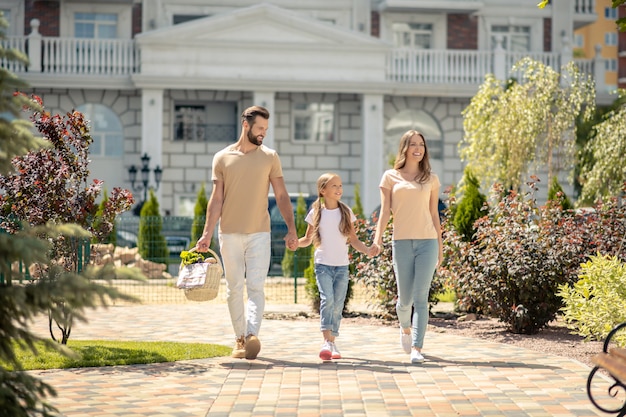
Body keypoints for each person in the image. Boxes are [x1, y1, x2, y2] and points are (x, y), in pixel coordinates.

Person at [196, 105, 298, 360]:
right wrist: (207, 233)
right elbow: (216, 199)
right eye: (260, 128)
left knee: (256, 287)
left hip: (259, 233)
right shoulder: (222, 158)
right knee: (233, 289)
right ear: (246, 125)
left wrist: (292, 229)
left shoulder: (270, 157)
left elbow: (282, 195)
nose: (263, 133)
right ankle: (240, 338)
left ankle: (251, 335)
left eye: (266, 129)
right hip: (228, 233)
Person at [371, 130, 443, 364]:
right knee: (404, 300)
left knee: (421, 298)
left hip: (427, 242)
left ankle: (417, 348)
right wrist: (377, 239)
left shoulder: (430, 179)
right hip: (401, 242)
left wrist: (440, 247)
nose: (418, 148)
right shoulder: (390, 177)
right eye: (413, 144)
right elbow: (384, 212)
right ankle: (404, 329)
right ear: (404, 148)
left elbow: (434, 214)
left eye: (421, 144)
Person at [298, 172, 375, 361]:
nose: (339, 189)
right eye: (334, 186)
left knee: (338, 304)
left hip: (342, 267)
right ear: (323, 190)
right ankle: (326, 342)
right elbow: (308, 239)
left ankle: (332, 343)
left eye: (340, 186)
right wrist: (295, 243)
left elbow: (353, 239)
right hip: (323, 264)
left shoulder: (345, 211)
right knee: (328, 299)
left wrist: (367, 250)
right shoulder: (316, 212)